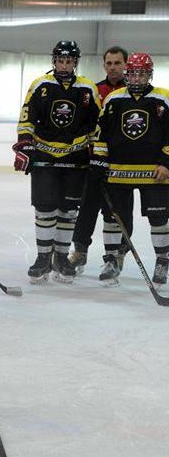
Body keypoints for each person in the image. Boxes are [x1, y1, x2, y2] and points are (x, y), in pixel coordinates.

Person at [14, 40, 100, 284]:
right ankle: (43, 258)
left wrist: (98, 154)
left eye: (69, 60)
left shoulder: (87, 88)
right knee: (45, 209)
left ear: (75, 62)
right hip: (45, 157)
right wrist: (24, 146)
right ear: (54, 61)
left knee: (68, 211)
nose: (65, 64)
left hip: (76, 158)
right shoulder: (40, 84)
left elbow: (97, 125)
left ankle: (61, 257)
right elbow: (26, 118)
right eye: (61, 60)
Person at [92, 52, 169, 285]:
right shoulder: (113, 99)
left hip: (154, 171)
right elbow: (102, 135)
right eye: (133, 73)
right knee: (112, 217)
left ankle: (162, 262)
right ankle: (111, 260)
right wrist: (99, 163)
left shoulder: (163, 98)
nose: (137, 78)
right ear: (128, 74)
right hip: (118, 170)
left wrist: (166, 163)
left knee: (159, 217)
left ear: (149, 74)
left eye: (142, 73)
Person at [69, 46, 130, 274]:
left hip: (121, 164)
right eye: (109, 63)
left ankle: (116, 254)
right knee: (86, 208)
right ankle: (80, 252)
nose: (113, 67)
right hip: (93, 162)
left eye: (118, 63)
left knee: (118, 210)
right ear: (104, 65)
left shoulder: (133, 92)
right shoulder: (94, 90)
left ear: (126, 65)